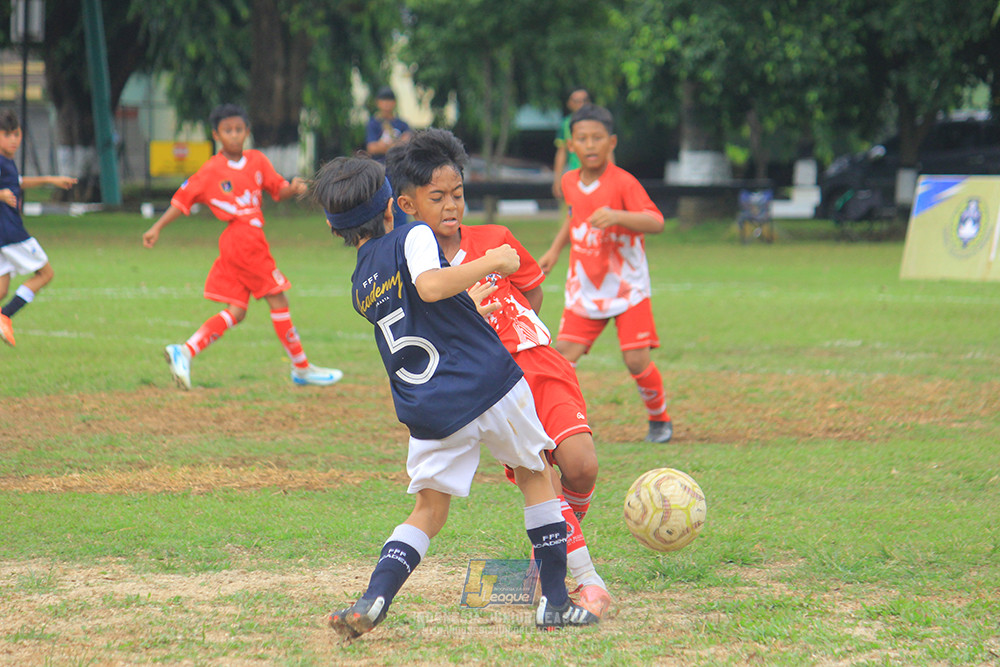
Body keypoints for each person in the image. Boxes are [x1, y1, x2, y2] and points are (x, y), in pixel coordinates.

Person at [312, 155, 599, 637]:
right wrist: (493, 262)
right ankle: (554, 603)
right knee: (535, 476)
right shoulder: (414, 235)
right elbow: (428, 286)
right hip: (487, 383)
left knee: (429, 508)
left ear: (330, 225)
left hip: (427, 405)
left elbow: (428, 308)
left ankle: (373, 598)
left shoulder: (361, 280)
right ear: (391, 207)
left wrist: (469, 301)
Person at [386, 128, 612, 618]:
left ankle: (546, 554)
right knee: (543, 480)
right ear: (408, 206)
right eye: (437, 197)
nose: (451, 206)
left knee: (582, 465)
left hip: (542, 362)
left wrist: (516, 324)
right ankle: (587, 580)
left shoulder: (496, 240)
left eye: (458, 195)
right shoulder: (418, 267)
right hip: (498, 382)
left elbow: (531, 291)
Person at [141, 103, 341, 390]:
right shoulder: (211, 170)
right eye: (227, 131)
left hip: (244, 241)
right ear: (216, 135)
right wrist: (156, 228)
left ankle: (184, 350)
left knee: (237, 310)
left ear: (247, 131)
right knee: (278, 300)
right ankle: (302, 368)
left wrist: (293, 187)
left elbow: (277, 190)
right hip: (244, 240)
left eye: (238, 129)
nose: (234, 135)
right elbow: (181, 199)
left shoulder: (257, 160)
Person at [538, 104, 673, 444]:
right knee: (562, 357)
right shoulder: (569, 181)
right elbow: (574, 217)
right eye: (582, 139)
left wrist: (618, 216)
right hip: (585, 286)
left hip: (627, 287)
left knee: (635, 359)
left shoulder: (624, 183)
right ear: (571, 146)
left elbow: (656, 221)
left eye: (597, 138)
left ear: (611, 142)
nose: (590, 145)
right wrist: (555, 250)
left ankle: (660, 420)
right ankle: (557, 426)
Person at [0, 108, 77, 347]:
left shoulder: (7, 162)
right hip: (11, 233)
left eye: (17, 134)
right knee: (46, 274)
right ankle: (6, 315)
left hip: (4, 234)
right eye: (7, 134)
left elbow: (18, 182)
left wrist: (50, 179)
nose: (14, 139)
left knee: (1, 290)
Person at [366, 86, 412, 225]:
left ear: (394, 103)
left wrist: (386, 146)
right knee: (381, 206)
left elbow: (409, 144)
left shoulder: (402, 124)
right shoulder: (373, 124)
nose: (386, 104)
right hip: (381, 173)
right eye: (383, 101)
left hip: (399, 172)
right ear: (378, 103)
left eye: (389, 101)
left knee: (401, 205)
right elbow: (372, 147)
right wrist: (397, 144)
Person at [551, 87, 591, 203]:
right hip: (575, 175)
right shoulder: (566, 124)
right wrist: (557, 180)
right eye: (577, 101)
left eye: (584, 100)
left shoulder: (598, 123)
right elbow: (561, 152)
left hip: (597, 174)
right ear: (569, 104)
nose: (581, 104)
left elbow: (607, 150)